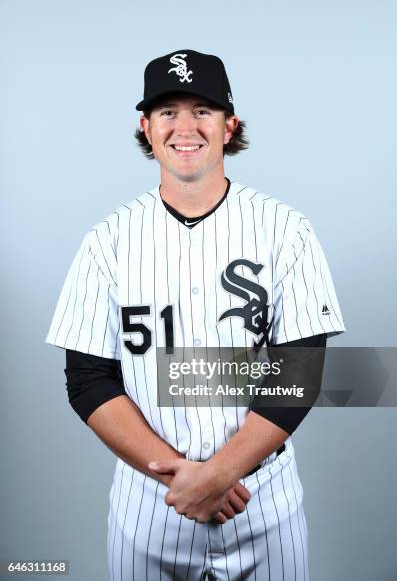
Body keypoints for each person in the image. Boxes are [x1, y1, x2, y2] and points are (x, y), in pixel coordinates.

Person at [45, 49, 345, 580]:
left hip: (263, 500)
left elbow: (299, 370)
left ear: (230, 126)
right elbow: (88, 378)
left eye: (203, 109)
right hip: (150, 505)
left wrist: (218, 475)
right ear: (146, 127)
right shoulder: (106, 243)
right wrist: (183, 477)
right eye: (168, 111)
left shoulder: (285, 230)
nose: (186, 126)